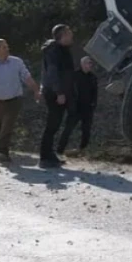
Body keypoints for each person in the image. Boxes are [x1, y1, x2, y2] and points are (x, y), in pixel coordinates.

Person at [0, 38, 40, 164]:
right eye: (4, 47)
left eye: (7, 46)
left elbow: (26, 77)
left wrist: (36, 90)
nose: (7, 49)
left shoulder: (16, 62)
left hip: (14, 101)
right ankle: (2, 154)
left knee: (7, 127)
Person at [39, 24, 75, 168]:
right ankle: (45, 157)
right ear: (63, 35)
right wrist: (59, 92)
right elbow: (52, 73)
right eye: (69, 33)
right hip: (54, 92)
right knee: (52, 124)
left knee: (56, 123)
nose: (72, 35)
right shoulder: (54, 51)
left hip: (59, 91)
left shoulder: (62, 50)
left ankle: (49, 154)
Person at [58, 56, 97, 157]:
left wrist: (93, 105)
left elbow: (95, 93)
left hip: (87, 109)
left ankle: (82, 149)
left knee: (86, 130)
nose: (90, 65)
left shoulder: (93, 77)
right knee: (68, 129)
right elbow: (67, 90)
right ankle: (59, 150)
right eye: (88, 63)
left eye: (91, 63)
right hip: (75, 108)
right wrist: (70, 105)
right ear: (82, 64)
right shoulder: (74, 75)